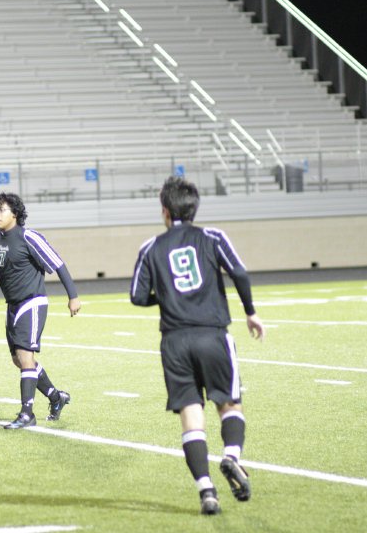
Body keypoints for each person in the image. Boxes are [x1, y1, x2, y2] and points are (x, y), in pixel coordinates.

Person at [129, 176, 265, 516]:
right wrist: (250, 313)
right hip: (213, 334)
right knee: (230, 405)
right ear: (194, 207)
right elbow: (240, 273)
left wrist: (166, 299)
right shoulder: (213, 236)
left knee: (192, 418)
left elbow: (135, 296)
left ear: (164, 210)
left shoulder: (150, 248)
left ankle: (206, 491)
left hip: (174, 341)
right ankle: (232, 456)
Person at [0, 192, 80, 429]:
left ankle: (26, 414)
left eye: (1, 210)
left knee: (25, 357)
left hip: (32, 302)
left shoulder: (29, 237)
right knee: (18, 360)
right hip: (12, 305)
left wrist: (73, 296)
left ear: (15, 213)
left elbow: (58, 263)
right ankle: (55, 396)